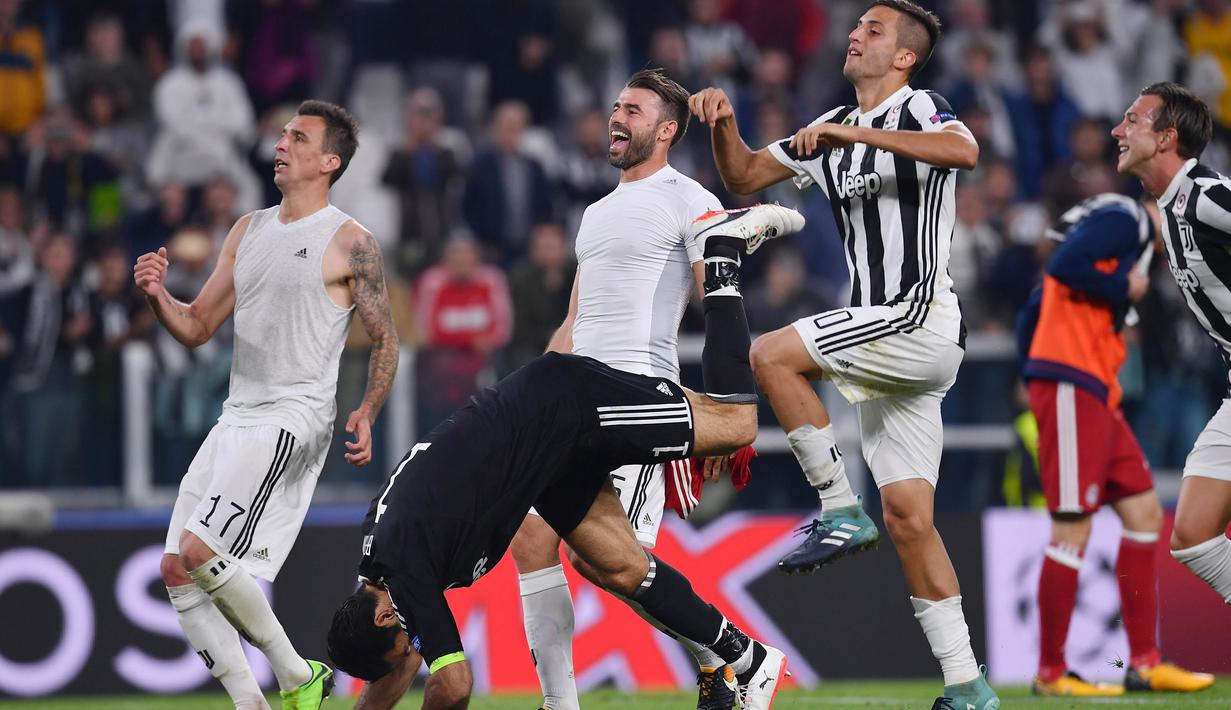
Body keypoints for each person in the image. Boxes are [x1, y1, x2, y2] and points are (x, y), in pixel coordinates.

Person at [326, 202, 804, 710]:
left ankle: (722, 254)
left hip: (567, 412)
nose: (411, 652)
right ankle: (746, 658)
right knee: (618, 565)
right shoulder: (387, 569)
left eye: (402, 646)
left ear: (382, 618)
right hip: (544, 461)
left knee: (736, 425)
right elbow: (404, 658)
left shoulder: (404, 576)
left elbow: (454, 685)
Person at [689, 2, 999, 707]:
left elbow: (965, 152)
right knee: (910, 522)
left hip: (913, 316)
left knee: (770, 354)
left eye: (874, 29)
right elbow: (740, 178)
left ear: (903, 57)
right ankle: (968, 686)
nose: (855, 34)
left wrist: (845, 130)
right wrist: (724, 124)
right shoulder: (829, 132)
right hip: (896, 345)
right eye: (855, 25)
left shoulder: (920, 105)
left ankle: (836, 506)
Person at [134, 100, 399, 710]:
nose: (281, 143)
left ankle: (296, 674)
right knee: (176, 569)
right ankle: (253, 703)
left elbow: (385, 337)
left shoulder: (351, 241)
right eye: (282, 134)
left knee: (203, 552)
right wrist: (156, 296)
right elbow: (198, 324)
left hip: (293, 415)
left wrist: (367, 409)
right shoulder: (246, 229)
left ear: (329, 161)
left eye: (298, 137)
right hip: (239, 415)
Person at [508, 68, 744, 710]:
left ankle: (720, 661)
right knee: (532, 539)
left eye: (633, 110)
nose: (617, 117)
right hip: (572, 400)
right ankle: (562, 704)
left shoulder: (689, 198)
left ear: (666, 130)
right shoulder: (595, 212)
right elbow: (575, 320)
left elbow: (715, 305)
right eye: (615, 106)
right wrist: (533, 395)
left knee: (611, 563)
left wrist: (715, 412)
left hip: (637, 400)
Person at [1017, 193, 1215, 695]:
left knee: (1146, 516)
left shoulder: (1129, 236)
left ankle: (1145, 663)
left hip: (1098, 395)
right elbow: (1055, 277)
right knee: (1071, 529)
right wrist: (1123, 286)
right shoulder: (1125, 219)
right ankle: (1051, 674)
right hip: (1070, 382)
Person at [1113, 82, 1231, 617]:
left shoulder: (1205, 195)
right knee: (1191, 536)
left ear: (1166, 138)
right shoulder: (1172, 207)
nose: (1118, 130)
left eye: (1132, 120)